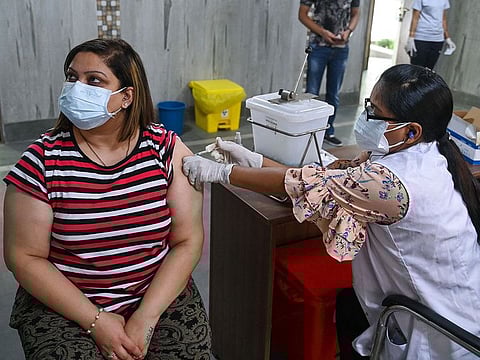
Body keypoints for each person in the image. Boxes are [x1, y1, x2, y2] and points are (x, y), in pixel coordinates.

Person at [182, 64, 480, 359]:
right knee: (349, 308)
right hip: (449, 301)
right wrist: (254, 160)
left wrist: (223, 172)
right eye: (368, 107)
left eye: (376, 112)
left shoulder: (391, 184)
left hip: (439, 331)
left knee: (349, 312)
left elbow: (307, 184)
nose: (367, 118)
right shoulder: (423, 153)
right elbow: (319, 179)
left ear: (412, 131)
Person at [3, 38, 211, 360]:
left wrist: (146, 316)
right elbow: (24, 257)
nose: (76, 88)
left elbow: (188, 240)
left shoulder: (166, 150)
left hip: (154, 292)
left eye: (94, 81)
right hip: (67, 302)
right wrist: (96, 321)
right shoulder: (42, 160)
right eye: (72, 77)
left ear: (126, 96)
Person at [298, 0, 360, 147]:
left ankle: (328, 131)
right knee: (311, 92)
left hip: (341, 47)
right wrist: (322, 32)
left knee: (334, 94)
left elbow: (356, 14)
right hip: (318, 46)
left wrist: (349, 31)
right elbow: (302, 14)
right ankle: (308, 132)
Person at [405, 0, 456, 69]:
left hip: (438, 39)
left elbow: (443, 18)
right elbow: (415, 18)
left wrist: (447, 38)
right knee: (417, 69)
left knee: (429, 70)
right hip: (421, 38)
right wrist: (411, 38)